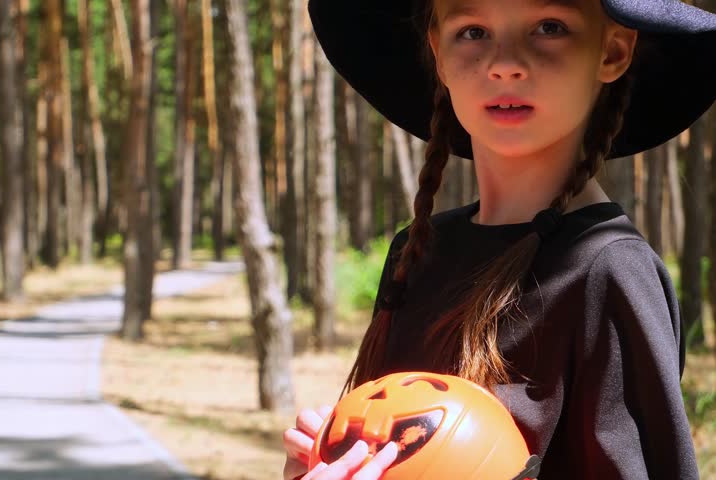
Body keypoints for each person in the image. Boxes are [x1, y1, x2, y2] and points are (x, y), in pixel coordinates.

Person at [283, 0, 716, 478]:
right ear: (438, 52)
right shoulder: (418, 250)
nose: (505, 64)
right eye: (472, 32)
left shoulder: (609, 270)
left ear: (612, 52)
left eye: (549, 28)